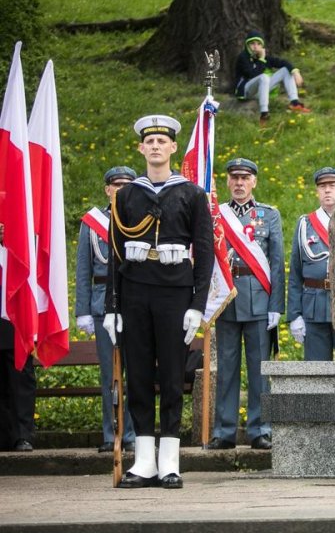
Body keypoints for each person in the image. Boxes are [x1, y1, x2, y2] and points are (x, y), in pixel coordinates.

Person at [104, 115, 214, 488]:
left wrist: (198, 305)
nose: (154, 146)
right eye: (148, 141)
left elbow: (204, 251)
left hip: (174, 292)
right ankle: (144, 461)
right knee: (137, 375)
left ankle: (169, 460)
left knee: (170, 375)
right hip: (134, 291)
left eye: (161, 142)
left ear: (172, 148)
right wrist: (110, 308)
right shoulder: (127, 195)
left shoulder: (192, 194)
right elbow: (116, 254)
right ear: (140, 148)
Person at [208, 158, 285, 451]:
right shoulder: (217, 215)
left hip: (259, 298)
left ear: (254, 181)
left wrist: (276, 305)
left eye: (245, 177)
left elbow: (277, 263)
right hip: (227, 298)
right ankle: (224, 431)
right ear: (228, 182)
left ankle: (260, 429)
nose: (239, 183)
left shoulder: (269, 215)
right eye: (234, 178)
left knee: (259, 370)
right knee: (227, 368)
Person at [75, 166, 138, 453]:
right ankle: (110, 432)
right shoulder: (93, 222)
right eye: (116, 185)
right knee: (109, 375)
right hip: (102, 303)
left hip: (135, 304)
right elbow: (84, 269)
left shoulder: (143, 219)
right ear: (107, 189)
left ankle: (135, 433)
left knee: (136, 371)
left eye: (127, 185)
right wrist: (83, 311)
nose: (121, 190)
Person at [288, 168, 335, 361]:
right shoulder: (305, 224)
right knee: (316, 373)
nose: (327, 190)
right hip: (314, 307)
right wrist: (294, 315)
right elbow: (295, 273)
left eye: (332, 185)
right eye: (322, 186)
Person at [0, 224, 37, 453]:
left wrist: (13, 236)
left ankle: (22, 435)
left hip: (16, 312)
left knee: (20, 377)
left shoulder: (20, 207)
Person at [234, 31, 311, 126]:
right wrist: (262, 59)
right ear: (247, 45)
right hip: (247, 90)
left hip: (260, 91)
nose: (255, 46)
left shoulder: (263, 57)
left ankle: (295, 103)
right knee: (264, 77)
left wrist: (295, 71)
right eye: (252, 43)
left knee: (285, 70)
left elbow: (282, 62)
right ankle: (264, 114)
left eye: (258, 44)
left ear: (262, 46)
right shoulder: (243, 57)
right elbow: (252, 74)